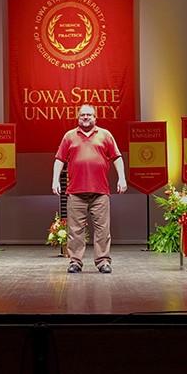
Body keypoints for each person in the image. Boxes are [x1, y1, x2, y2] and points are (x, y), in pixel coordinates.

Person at [52, 104, 127, 273]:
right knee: (74, 230)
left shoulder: (105, 135)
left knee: (103, 229)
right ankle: (75, 262)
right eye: (82, 115)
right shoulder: (69, 136)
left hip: (100, 192)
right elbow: (59, 159)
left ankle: (103, 262)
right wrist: (55, 180)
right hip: (75, 192)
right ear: (78, 117)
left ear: (95, 117)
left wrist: (122, 177)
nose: (86, 117)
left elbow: (117, 157)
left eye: (89, 115)